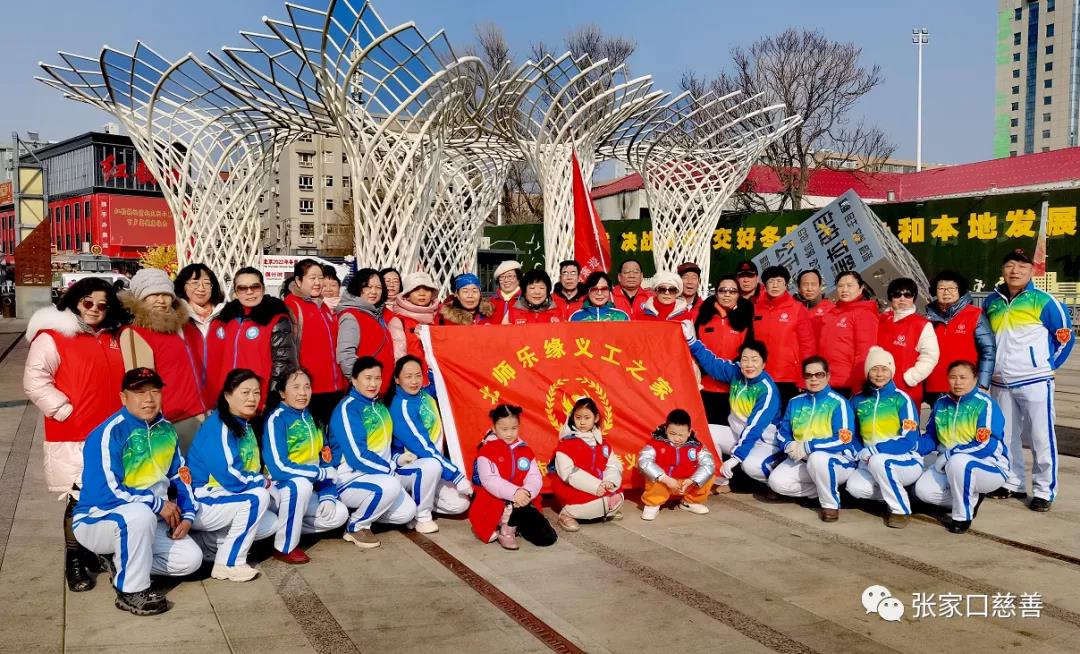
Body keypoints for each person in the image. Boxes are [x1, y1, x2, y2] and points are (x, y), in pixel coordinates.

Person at [24, 277, 127, 592]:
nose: (95, 309)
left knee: (108, 494)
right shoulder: (53, 336)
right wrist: (64, 410)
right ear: (75, 301)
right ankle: (74, 558)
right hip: (74, 432)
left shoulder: (114, 337)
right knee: (77, 496)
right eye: (88, 302)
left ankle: (95, 550)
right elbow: (35, 380)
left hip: (112, 433)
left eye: (102, 305)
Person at [72, 368, 203, 615]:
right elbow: (106, 491)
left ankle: (121, 562)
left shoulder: (167, 430)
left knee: (190, 560)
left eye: (155, 391)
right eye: (139, 393)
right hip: (98, 518)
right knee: (139, 514)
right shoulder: (108, 433)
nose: (149, 399)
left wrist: (187, 515)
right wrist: (157, 504)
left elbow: (180, 475)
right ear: (123, 398)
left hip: (149, 521)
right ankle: (131, 590)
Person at [983, 250, 1074, 510]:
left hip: (1035, 380)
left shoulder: (1044, 301)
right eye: (1010, 265)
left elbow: (1065, 337)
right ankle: (1013, 482)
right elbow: (987, 339)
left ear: (1032, 271)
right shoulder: (992, 302)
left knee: (1040, 436)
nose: (1015, 271)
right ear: (1003, 270)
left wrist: (1046, 365)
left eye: (1022, 266)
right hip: (1000, 381)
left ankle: (1044, 490)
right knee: (1006, 435)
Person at [187, 369, 278, 581]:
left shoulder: (244, 423)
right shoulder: (219, 425)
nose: (252, 398)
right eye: (245, 392)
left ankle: (209, 545)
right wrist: (263, 482)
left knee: (270, 522)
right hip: (203, 498)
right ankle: (228, 563)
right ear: (228, 396)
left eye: (256, 392)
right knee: (257, 499)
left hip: (225, 495)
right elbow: (230, 475)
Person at [328, 357, 419, 548]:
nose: (373, 384)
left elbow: (385, 447)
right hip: (349, 478)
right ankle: (356, 526)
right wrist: (389, 469)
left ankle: (365, 510)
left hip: (378, 475)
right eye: (368, 378)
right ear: (354, 380)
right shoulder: (348, 408)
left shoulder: (379, 406)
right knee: (391, 485)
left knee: (407, 513)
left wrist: (396, 459)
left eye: (377, 378)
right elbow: (357, 457)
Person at [262, 367, 349, 564]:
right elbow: (279, 468)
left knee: (339, 514)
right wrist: (319, 473)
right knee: (299, 484)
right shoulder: (276, 419)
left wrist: (327, 494)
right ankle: (284, 547)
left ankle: (284, 528)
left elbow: (326, 459)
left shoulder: (313, 418)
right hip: (279, 490)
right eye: (296, 387)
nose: (302, 393)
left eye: (307, 387)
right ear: (282, 392)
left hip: (307, 491)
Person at [119, 268, 210, 451]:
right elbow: (141, 386)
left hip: (204, 415)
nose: (161, 300)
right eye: (152, 295)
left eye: (165, 294)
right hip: (172, 421)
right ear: (140, 299)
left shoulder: (185, 327)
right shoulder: (137, 333)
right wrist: (152, 427)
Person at [914, 360, 1009, 533]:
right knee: (923, 491)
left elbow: (986, 445)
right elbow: (931, 438)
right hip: (948, 464)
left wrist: (950, 454)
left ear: (975, 379)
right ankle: (971, 497)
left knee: (958, 461)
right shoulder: (941, 403)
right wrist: (911, 446)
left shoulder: (985, 404)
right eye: (953, 377)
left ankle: (962, 516)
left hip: (989, 466)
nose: (958, 382)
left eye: (963, 377)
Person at [844, 347, 932, 528]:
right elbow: (851, 434)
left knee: (879, 461)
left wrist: (875, 450)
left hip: (904, 460)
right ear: (867, 372)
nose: (879, 374)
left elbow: (909, 439)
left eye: (884, 369)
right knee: (854, 487)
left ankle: (900, 510)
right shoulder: (857, 400)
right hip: (869, 459)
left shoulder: (902, 399)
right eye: (874, 369)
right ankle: (898, 491)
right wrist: (859, 451)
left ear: (891, 372)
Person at [684, 330, 782, 484]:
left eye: (754, 360)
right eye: (745, 359)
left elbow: (755, 428)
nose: (749, 365)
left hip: (764, 442)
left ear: (763, 364)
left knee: (750, 466)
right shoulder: (737, 373)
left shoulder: (767, 391)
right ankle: (719, 478)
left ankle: (775, 480)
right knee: (702, 432)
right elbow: (714, 364)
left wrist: (735, 458)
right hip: (739, 435)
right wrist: (692, 340)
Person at [768, 357, 859, 522]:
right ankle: (823, 491)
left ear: (828, 376)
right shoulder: (794, 402)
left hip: (836, 460)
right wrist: (788, 445)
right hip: (803, 459)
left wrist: (808, 446)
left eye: (819, 374)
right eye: (809, 375)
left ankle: (830, 505)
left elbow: (844, 440)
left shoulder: (839, 403)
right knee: (777, 482)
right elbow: (783, 431)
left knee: (818, 458)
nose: (814, 379)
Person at [387, 356, 473, 533]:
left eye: (418, 375)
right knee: (432, 464)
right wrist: (456, 476)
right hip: (407, 468)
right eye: (408, 376)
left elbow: (437, 383)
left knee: (460, 504)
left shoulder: (423, 395)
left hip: (431, 467)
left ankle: (415, 500)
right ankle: (422, 516)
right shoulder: (401, 407)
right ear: (397, 379)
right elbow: (423, 448)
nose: (414, 381)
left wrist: (432, 354)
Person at [206, 268, 296, 413]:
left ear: (263, 289)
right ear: (235, 292)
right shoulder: (225, 319)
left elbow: (283, 364)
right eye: (242, 288)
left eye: (255, 287)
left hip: (257, 400)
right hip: (228, 398)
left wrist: (271, 399)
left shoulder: (276, 319)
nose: (249, 292)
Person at [468, 404, 557, 549]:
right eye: (504, 429)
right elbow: (490, 480)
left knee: (546, 537)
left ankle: (513, 524)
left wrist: (527, 492)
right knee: (490, 523)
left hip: (521, 501)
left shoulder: (525, 450)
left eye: (514, 428)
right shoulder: (486, 451)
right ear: (494, 428)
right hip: (494, 500)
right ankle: (505, 530)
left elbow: (534, 476)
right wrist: (514, 493)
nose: (509, 433)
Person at [283, 259, 347, 426]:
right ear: (298, 280)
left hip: (334, 386)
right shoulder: (291, 306)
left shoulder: (323, 306)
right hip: (310, 389)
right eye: (312, 278)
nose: (318, 283)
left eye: (320, 278)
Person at [550, 397, 624, 531]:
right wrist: (595, 486)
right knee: (602, 502)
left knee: (618, 496)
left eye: (587, 418)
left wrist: (609, 481)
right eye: (578, 418)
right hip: (574, 487)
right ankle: (566, 514)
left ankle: (603, 509)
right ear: (573, 418)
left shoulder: (603, 444)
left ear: (596, 418)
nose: (582, 422)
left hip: (599, 486)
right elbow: (568, 473)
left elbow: (612, 465)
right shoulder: (566, 444)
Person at [924, 270, 995, 406]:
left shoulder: (975, 315)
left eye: (952, 288)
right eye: (941, 288)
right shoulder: (927, 317)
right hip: (935, 387)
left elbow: (988, 350)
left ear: (960, 290)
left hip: (965, 386)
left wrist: (982, 384)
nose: (946, 292)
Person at [754, 266, 817, 406]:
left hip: (789, 377)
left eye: (779, 281)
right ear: (765, 285)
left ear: (786, 284)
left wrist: (805, 376)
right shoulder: (756, 309)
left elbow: (808, 345)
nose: (775, 285)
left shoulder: (797, 309)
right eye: (771, 281)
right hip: (760, 375)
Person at [637, 409, 716, 520]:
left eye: (681, 435)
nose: (677, 439)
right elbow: (643, 461)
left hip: (686, 484)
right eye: (672, 434)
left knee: (709, 476)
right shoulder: (655, 444)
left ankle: (690, 502)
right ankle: (652, 504)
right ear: (666, 430)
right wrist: (665, 479)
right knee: (654, 477)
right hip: (664, 482)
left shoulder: (697, 447)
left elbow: (709, 465)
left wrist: (692, 481)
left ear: (689, 432)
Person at [876, 277, 939, 409]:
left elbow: (930, 356)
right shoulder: (880, 320)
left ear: (914, 298)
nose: (902, 299)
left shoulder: (921, 324)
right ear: (890, 297)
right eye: (897, 294)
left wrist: (911, 378)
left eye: (908, 295)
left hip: (906, 390)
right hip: (877, 388)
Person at [817, 270, 879, 396]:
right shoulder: (831, 313)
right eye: (840, 286)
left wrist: (858, 386)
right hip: (824, 381)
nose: (844, 289)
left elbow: (864, 353)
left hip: (846, 384)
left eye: (850, 285)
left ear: (861, 288)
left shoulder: (864, 314)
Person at [336, 268, 394, 396]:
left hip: (381, 391)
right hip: (365, 392)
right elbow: (346, 356)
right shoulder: (351, 316)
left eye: (378, 287)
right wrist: (361, 385)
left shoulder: (376, 315)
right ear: (357, 287)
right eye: (367, 287)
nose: (373, 291)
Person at [387, 271, 439, 364]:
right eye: (416, 290)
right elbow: (398, 357)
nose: (422, 294)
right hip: (413, 371)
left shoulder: (440, 317)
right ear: (407, 295)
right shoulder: (399, 321)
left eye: (427, 290)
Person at [174, 263, 225, 337]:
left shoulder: (224, 313)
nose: (201, 288)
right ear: (183, 286)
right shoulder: (175, 314)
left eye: (207, 283)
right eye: (195, 283)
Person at [794, 269, 835, 342]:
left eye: (813, 284)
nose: (809, 289)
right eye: (805, 284)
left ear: (820, 286)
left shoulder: (832, 310)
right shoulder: (791, 311)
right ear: (799, 288)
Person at [490, 260, 522, 325]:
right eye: (502, 277)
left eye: (510, 276)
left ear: (518, 278)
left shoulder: (525, 299)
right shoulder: (491, 301)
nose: (506, 280)